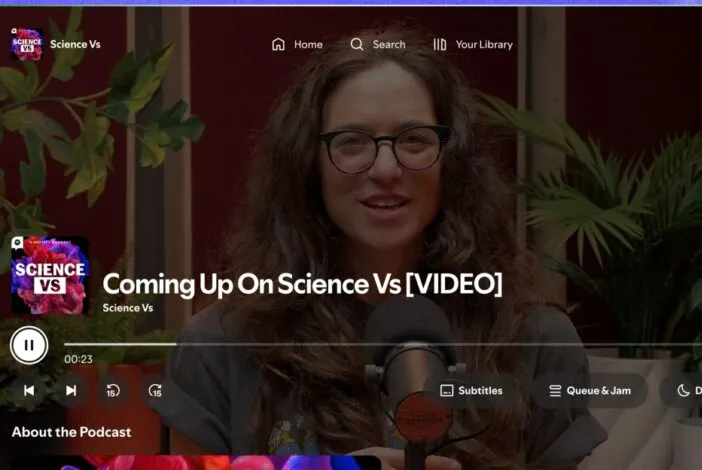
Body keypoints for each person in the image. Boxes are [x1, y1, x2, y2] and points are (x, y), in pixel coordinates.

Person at [150, 27, 606, 470]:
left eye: (414, 140)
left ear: (452, 161)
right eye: (351, 142)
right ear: (308, 164)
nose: (386, 168)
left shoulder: (536, 341)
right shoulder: (219, 347)